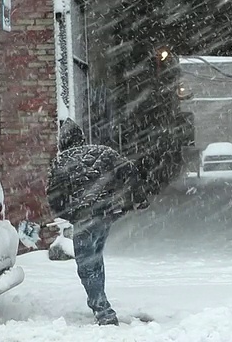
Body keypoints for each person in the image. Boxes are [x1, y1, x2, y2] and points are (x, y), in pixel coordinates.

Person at [46, 118, 149, 326]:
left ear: (62, 142)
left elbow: (54, 197)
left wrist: (68, 214)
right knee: (95, 259)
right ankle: (100, 301)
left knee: (86, 266)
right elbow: (129, 171)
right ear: (81, 138)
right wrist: (137, 199)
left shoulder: (61, 162)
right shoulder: (104, 152)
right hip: (105, 216)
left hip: (84, 219)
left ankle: (103, 311)